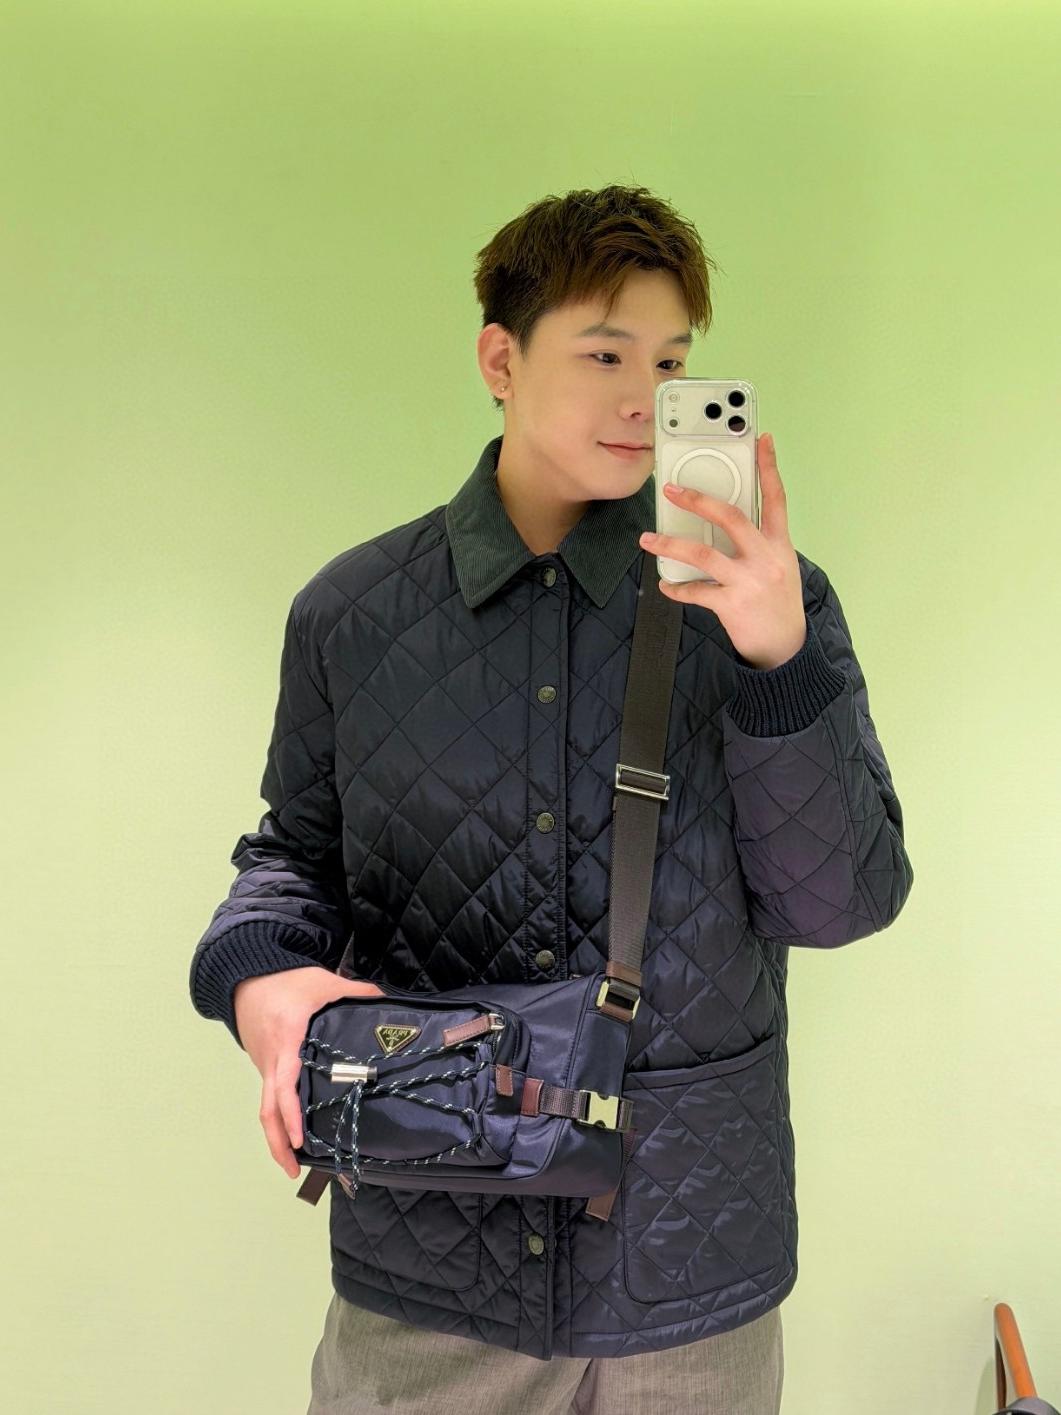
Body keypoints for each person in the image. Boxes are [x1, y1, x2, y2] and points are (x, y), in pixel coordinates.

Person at [189, 183, 914, 1414]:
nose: (644, 394)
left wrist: (776, 661)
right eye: (604, 352)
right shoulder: (351, 615)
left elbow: (838, 902)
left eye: (671, 361)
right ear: (500, 359)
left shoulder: (764, 606)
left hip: (682, 1271)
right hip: (429, 1265)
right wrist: (258, 979)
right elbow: (292, 857)